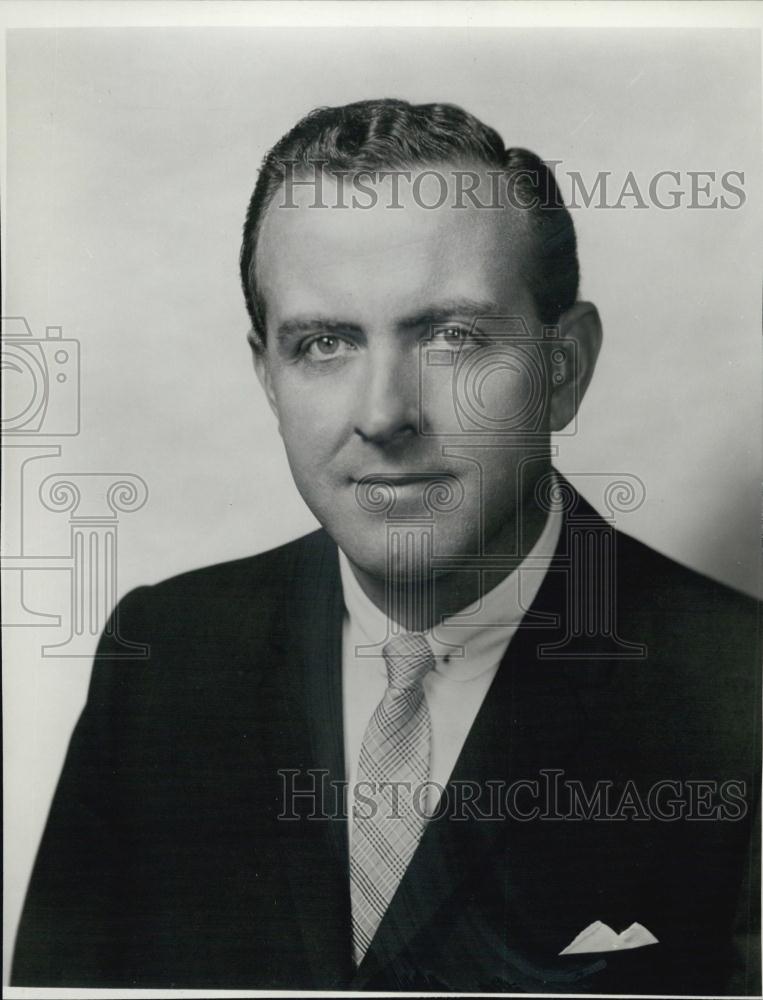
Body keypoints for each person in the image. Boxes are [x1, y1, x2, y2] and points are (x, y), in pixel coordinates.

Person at [12, 99, 760, 994]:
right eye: (323, 343)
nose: (381, 415)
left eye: (450, 337)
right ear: (267, 376)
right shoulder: (164, 653)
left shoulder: (740, 690)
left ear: (564, 370)